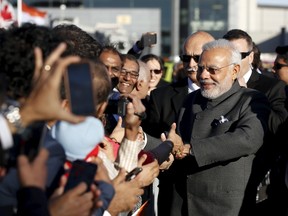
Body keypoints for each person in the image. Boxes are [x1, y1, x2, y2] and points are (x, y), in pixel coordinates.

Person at [169, 39, 270, 216]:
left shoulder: (250, 100)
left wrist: (191, 149)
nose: (203, 75)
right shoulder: (190, 101)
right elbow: (177, 142)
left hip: (224, 206)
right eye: (201, 68)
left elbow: (248, 139)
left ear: (235, 71)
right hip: (185, 202)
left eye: (212, 70)